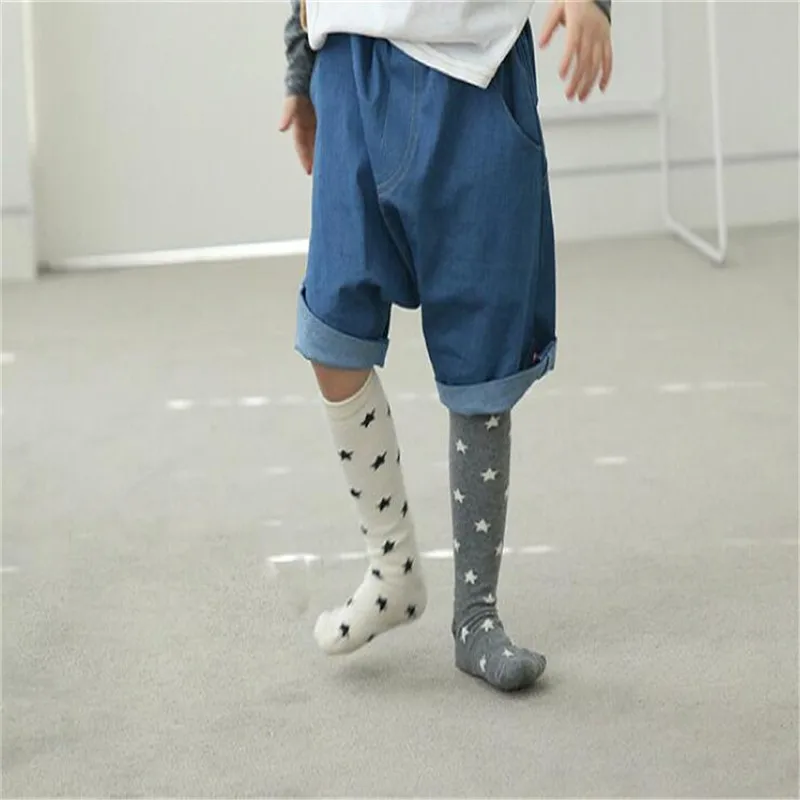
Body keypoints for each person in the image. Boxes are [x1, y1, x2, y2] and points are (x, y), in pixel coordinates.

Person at [279, 0, 613, 692]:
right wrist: (299, 64)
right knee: (332, 326)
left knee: (480, 351)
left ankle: (476, 613)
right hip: (350, 58)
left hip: (473, 69)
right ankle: (392, 565)